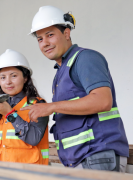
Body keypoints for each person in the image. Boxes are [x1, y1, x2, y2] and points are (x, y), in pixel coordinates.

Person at [21, 6, 129, 171]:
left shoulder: (85, 58)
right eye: (40, 39)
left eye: (50, 35)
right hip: (81, 160)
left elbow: (103, 100)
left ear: (66, 33)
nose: (45, 43)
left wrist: (51, 107)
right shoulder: (62, 72)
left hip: (97, 156)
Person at [0, 49, 49, 165]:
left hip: (26, 174)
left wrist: (10, 113)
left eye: (14, 76)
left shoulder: (38, 105)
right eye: (3, 77)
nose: (8, 82)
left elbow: (33, 138)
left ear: (25, 78)